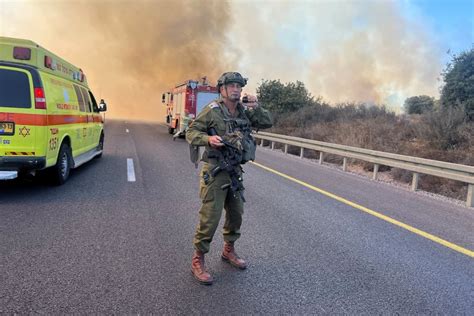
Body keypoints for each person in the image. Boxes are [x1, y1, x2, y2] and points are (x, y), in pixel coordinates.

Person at [186, 72, 273, 285]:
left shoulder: (245, 112)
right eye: (231, 85)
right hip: (215, 170)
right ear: (222, 89)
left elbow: (268, 122)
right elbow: (191, 132)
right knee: (210, 217)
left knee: (236, 214)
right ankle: (198, 259)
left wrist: (256, 106)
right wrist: (207, 138)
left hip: (234, 171)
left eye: (239, 86)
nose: (236, 89)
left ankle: (228, 250)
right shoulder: (212, 111)